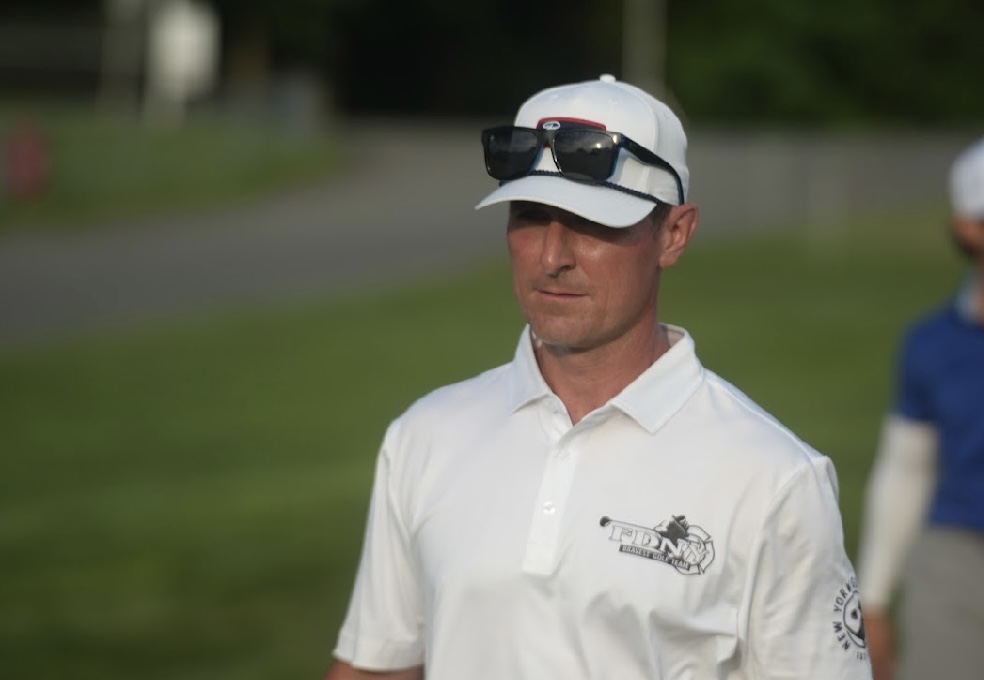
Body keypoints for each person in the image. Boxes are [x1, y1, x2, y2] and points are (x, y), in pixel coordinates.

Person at [324, 74, 873, 680]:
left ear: (674, 234)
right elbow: (376, 668)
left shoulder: (774, 480)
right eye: (531, 216)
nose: (552, 256)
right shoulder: (425, 437)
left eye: (592, 222)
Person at [857, 137, 984, 680]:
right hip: (957, 559)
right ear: (968, 228)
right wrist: (873, 600)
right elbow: (907, 469)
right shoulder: (932, 344)